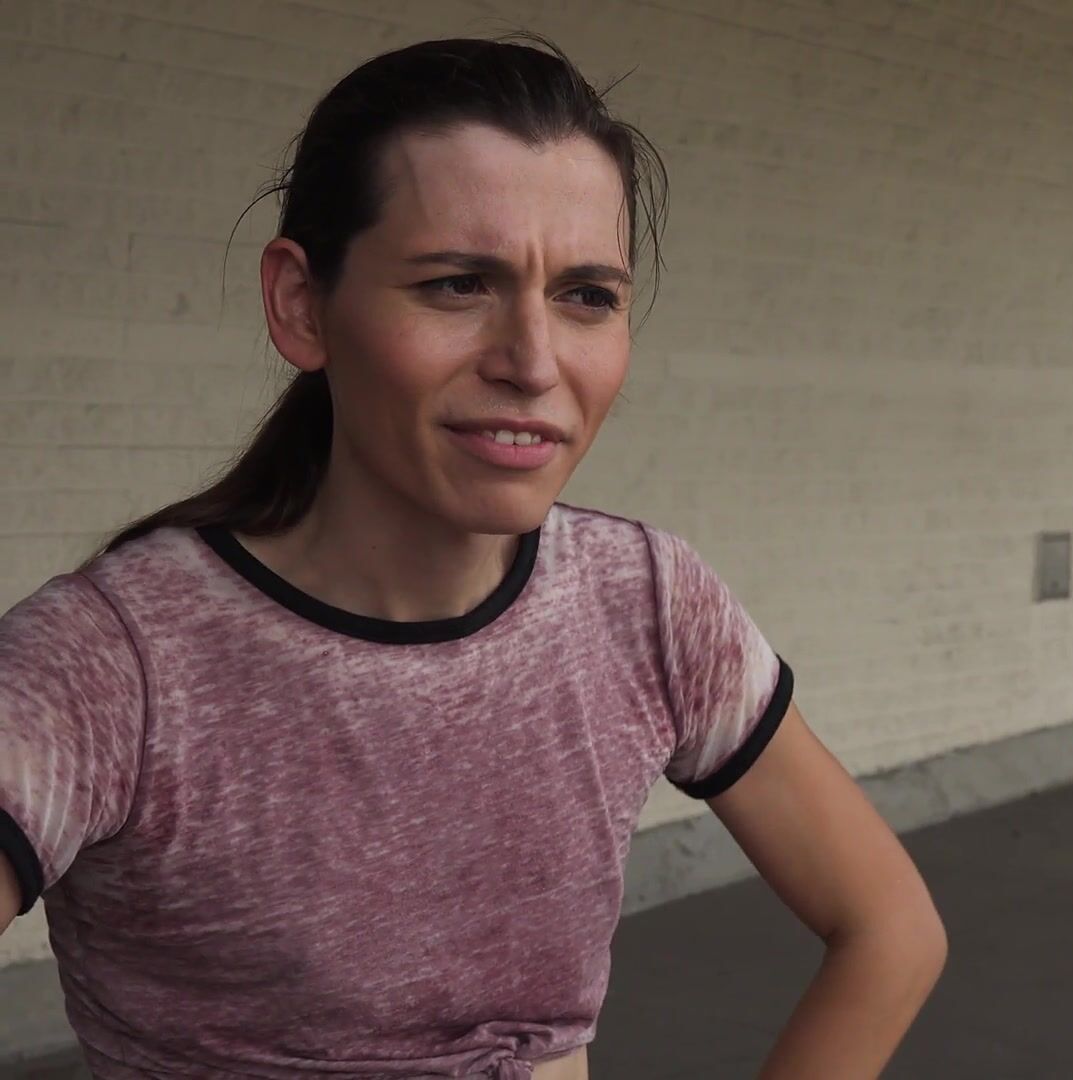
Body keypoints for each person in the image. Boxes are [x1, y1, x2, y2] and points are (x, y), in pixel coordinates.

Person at [0, 35, 945, 1080]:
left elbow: (891, 930)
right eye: (457, 284)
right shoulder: (117, 663)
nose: (533, 362)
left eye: (587, 295)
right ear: (301, 305)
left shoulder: (645, 603)